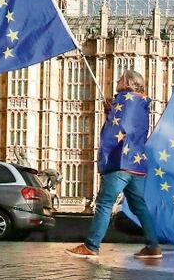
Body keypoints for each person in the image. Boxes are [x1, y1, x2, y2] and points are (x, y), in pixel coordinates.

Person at [67, 70, 162, 260]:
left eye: (120, 79)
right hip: (137, 163)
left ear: (128, 82)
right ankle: (153, 247)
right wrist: (110, 112)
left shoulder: (123, 99)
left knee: (104, 203)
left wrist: (111, 114)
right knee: (140, 207)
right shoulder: (142, 103)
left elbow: (115, 131)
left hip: (120, 162)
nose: (117, 81)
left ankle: (91, 246)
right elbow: (128, 126)